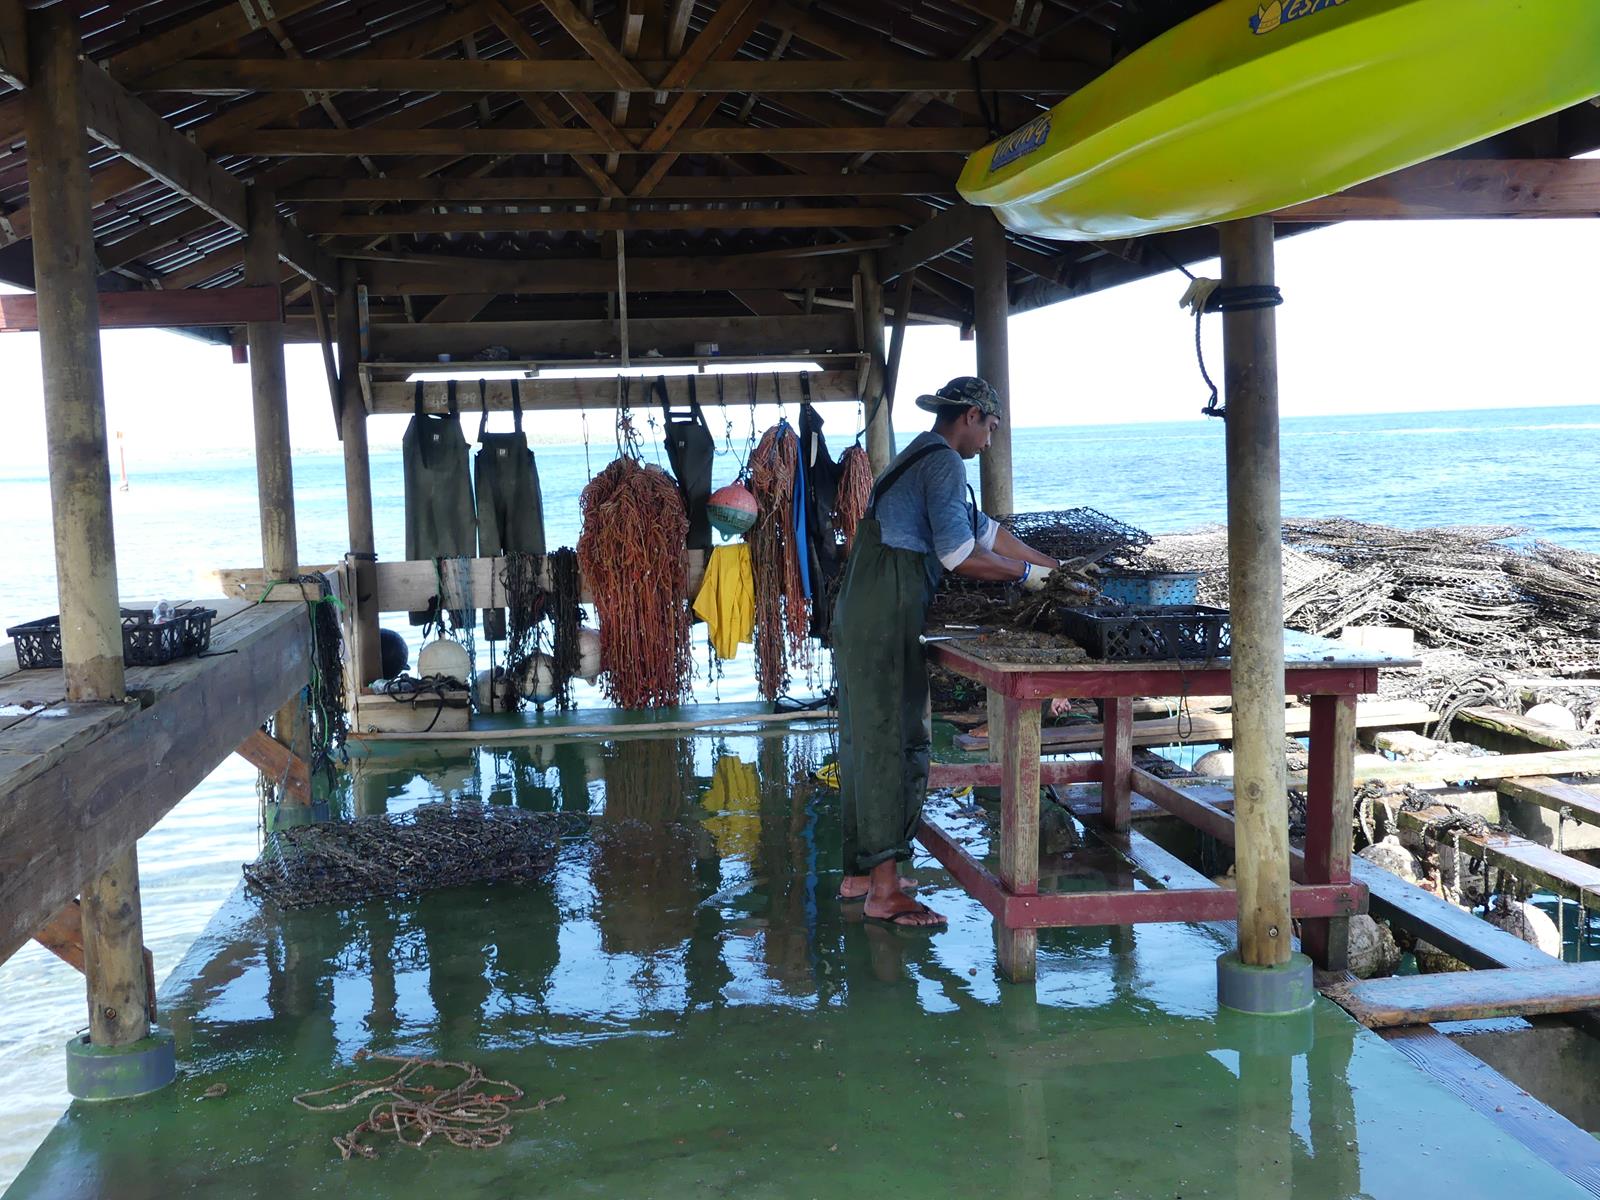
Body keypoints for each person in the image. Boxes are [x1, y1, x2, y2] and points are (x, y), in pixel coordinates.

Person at [833, 376, 1071, 929]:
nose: (989, 441)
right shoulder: (944, 463)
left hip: (866, 610)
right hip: (884, 613)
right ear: (969, 416)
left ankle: (865, 873)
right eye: (989, 427)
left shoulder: (917, 457)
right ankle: (885, 893)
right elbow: (960, 554)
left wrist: (1053, 571)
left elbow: (986, 533)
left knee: (865, 737)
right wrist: (1025, 577)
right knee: (892, 741)